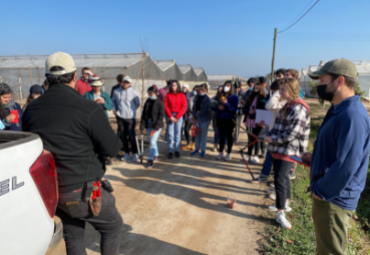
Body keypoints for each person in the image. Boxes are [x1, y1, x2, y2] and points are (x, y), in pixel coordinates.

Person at [22, 52, 122, 255]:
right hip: (85, 188)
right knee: (112, 225)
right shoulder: (88, 108)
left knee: (74, 235)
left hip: (53, 189)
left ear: (47, 78)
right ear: (75, 77)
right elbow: (112, 148)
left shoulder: (31, 110)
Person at [301, 59, 370, 255]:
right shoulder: (338, 109)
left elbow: (347, 165)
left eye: (322, 79)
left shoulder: (352, 115)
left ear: (339, 80)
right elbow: (339, 151)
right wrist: (316, 159)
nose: (318, 85)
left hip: (333, 199)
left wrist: (320, 190)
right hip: (329, 196)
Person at [263, 78, 310, 230]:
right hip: (279, 149)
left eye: (282, 90)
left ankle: (280, 213)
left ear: (292, 90)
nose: (280, 93)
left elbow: (291, 135)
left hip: (289, 150)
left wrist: (272, 138)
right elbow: (278, 127)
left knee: (279, 179)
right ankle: (285, 204)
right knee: (283, 178)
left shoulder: (299, 108)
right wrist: (268, 133)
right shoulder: (287, 106)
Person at [253, 79, 286, 183]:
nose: (272, 95)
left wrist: (277, 92)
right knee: (269, 156)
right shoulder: (280, 101)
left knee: (279, 164)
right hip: (273, 133)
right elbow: (273, 115)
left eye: (274, 92)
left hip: (280, 137)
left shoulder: (285, 102)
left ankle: (278, 187)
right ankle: (264, 176)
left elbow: (269, 105)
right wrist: (265, 124)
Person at [85, 76, 114, 166]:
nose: (96, 87)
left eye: (98, 86)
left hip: (103, 118)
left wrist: (103, 103)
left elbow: (109, 107)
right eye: (95, 86)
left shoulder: (105, 95)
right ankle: (94, 157)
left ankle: (105, 157)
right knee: (93, 138)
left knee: (104, 138)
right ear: (92, 86)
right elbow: (84, 106)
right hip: (92, 119)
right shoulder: (87, 95)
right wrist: (92, 103)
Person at [112, 76, 141, 162]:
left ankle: (135, 153)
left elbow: (138, 103)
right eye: (124, 82)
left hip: (130, 118)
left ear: (130, 84)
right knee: (123, 136)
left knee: (131, 136)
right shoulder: (116, 91)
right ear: (122, 82)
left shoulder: (133, 92)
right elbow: (113, 100)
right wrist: (114, 109)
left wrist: (131, 110)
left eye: (127, 82)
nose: (125, 84)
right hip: (120, 117)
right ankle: (127, 153)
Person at [140, 85, 165, 168]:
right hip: (148, 123)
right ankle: (156, 155)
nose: (149, 95)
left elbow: (161, 117)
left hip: (156, 125)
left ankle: (151, 160)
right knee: (151, 141)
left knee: (152, 142)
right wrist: (142, 126)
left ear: (155, 93)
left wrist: (155, 128)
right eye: (148, 93)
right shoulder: (147, 101)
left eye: (150, 93)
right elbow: (144, 115)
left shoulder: (160, 103)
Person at [212, 80, 239, 161]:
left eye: (228, 85)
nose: (226, 87)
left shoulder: (234, 97)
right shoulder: (220, 95)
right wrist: (218, 108)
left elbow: (234, 109)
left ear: (231, 87)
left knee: (229, 136)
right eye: (225, 85)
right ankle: (221, 152)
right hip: (220, 119)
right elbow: (213, 106)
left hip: (229, 120)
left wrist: (226, 104)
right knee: (221, 136)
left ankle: (229, 153)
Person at [243, 82, 267, 163]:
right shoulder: (250, 97)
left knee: (256, 138)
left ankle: (256, 155)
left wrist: (254, 114)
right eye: (255, 88)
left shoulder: (263, 98)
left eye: (257, 88)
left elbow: (263, 110)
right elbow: (245, 108)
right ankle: (249, 154)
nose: (256, 89)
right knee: (250, 138)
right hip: (249, 120)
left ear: (261, 89)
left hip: (258, 121)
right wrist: (249, 112)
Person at [164, 80, 187, 159]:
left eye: (175, 85)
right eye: (172, 85)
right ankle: (170, 151)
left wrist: (177, 117)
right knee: (170, 134)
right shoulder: (168, 95)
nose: (173, 87)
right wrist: (170, 116)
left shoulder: (182, 95)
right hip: (169, 115)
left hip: (178, 116)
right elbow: (165, 105)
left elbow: (183, 107)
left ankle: (176, 150)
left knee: (177, 134)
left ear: (178, 86)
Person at [190, 84, 210, 157]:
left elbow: (204, 110)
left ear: (205, 90)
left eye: (201, 89)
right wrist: (194, 117)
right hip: (197, 119)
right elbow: (194, 108)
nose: (200, 91)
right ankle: (196, 149)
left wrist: (196, 115)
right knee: (197, 135)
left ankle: (203, 150)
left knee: (203, 136)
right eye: (199, 90)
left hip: (204, 119)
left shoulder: (207, 99)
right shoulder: (196, 97)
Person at [183, 85, 199, 151]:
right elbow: (186, 104)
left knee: (194, 130)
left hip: (196, 117)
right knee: (186, 129)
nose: (194, 91)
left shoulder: (199, 97)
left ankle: (193, 144)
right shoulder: (189, 95)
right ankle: (188, 143)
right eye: (194, 89)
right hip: (189, 115)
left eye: (196, 90)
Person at [211, 85, 224, 152]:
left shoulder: (226, 97)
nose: (220, 89)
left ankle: (224, 146)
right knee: (217, 132)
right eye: (219, 89)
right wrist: (217, 108)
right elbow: (212, 107)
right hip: (217, 117)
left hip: (225, 118)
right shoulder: (216, 97)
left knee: (224, 133)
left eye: (221, 88)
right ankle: (215, 146)